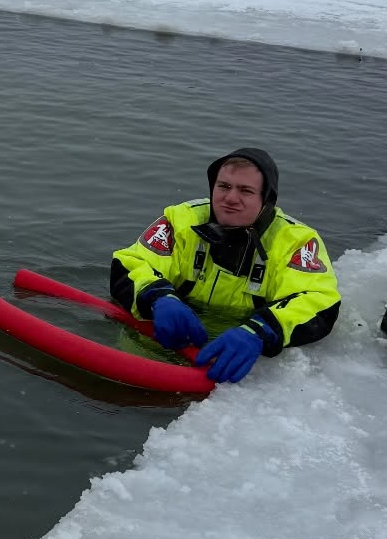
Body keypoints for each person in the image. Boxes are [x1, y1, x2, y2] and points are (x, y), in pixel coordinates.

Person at [110, 146, 341, 384]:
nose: (230, 198)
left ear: (266, 199)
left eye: (246, 191)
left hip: (240, 355)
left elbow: (319, 301)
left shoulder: (296, 242)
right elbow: (130, 263)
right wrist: (158, 297)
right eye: (224, 186)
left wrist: (261, 331)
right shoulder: (181, 220)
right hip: (162, 333)